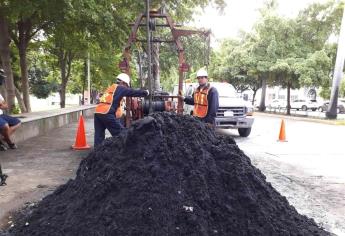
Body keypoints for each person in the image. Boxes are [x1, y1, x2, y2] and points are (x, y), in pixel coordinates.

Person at [94, 73, 149, 147]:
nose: (126, 88)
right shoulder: (120, 88)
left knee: (99, 135)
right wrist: (145, 92)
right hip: (106, 113)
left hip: (98, 112)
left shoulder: (111, 87)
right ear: (122, 82)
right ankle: (126, 152)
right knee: (121, 133)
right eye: (126, 85)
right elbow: (132, 92)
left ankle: (97, 154)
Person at [0, 69, 21, 151]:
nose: (2, 79)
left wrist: (2, 106)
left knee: (17, 122)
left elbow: (5, 106)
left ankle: (3, 138)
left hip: (1, 114)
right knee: (5, 125)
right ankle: (9, 142)